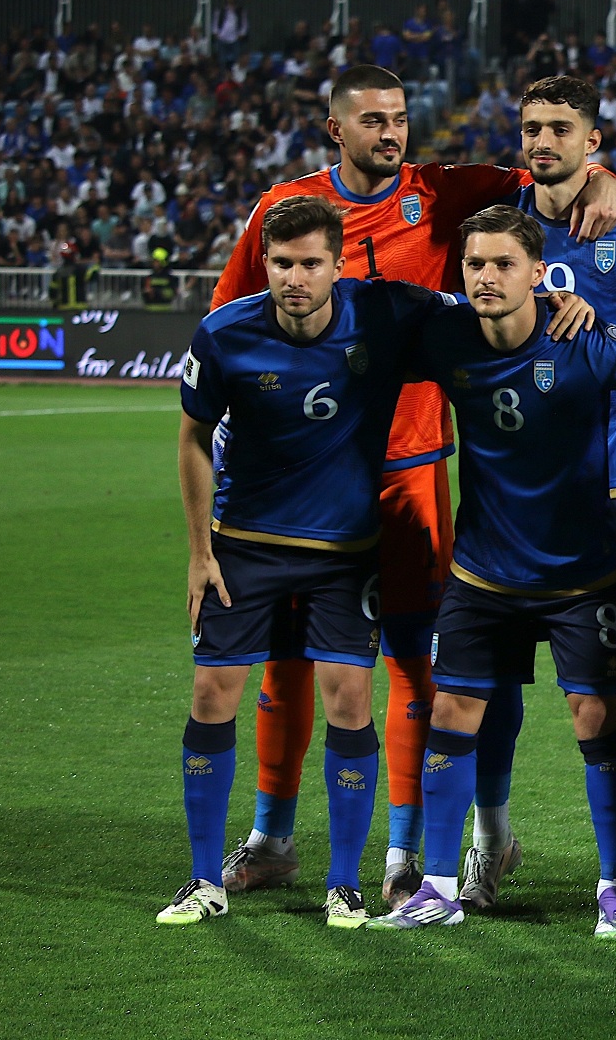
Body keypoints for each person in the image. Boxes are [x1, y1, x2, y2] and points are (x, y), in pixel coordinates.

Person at [207, 64, 616, 911]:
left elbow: (552, 170)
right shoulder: (286, 212)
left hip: (411, 469)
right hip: (303, 479)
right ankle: (271, 836)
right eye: (372, 120)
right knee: (287, 663)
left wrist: (606, 176)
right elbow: (229, 321)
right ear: (336, 129)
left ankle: (405, 853)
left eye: (399, 119)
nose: (391, 133)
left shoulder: (443, 192)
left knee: (413, 658)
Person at [367, 205, 616, 934]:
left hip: (581, 577)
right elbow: (360, 313)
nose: (487, 277)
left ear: (539, 274)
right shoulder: (446, 330)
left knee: (595, 719)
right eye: (475, 265)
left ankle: (613, 888)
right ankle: (437, 885)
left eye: (503, 264)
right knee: (452, 715)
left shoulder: (587, 340)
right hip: (482, 572)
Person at [161, 195, 454, 929]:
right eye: (283, 263)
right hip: (245, 547)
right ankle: (204, 881)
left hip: (344, 555)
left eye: (311, 263)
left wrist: (559, 298)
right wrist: (199, 552)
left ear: (338, 264)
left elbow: (482, 300)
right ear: (266, 264)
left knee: (350, 702)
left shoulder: (382, 312)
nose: (297, 277)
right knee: (211, 698)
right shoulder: (225, 333)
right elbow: (193, 437)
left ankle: (344, 883)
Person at [458, 76, 616, 917]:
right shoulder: (491, 218)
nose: (541, 141)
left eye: (560, 128)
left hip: (615, 487)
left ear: (596, 140)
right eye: (530, 127)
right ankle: (490, 841)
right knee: (491, 682)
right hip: (505, 491)